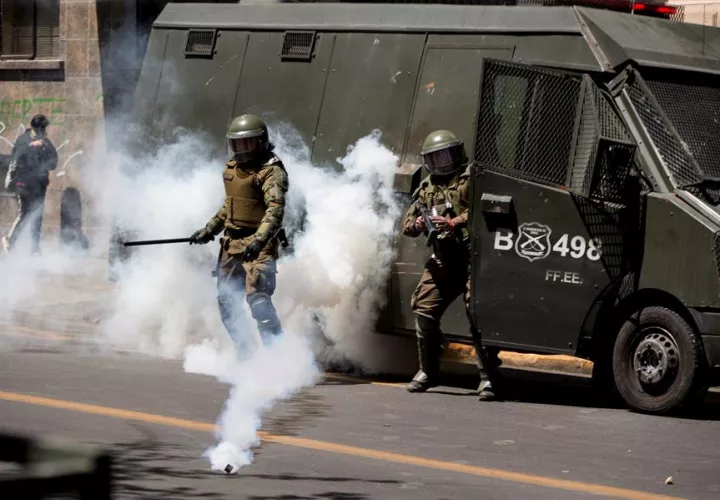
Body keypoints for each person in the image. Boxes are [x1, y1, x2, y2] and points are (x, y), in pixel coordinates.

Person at [402, 129, 501, 401]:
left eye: (446, 155)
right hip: (444, 259)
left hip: (474, 259)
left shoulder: (471, 180)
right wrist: (418, 224)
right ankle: (428, 371)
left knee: (477, 314)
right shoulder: (426, 189)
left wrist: (453, 222)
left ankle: (487, 377)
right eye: (436, 158)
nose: (443, 163)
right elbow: (407, 226)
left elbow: (485, 209)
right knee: (424, 310)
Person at [189, 114, 288, 348]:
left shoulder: (270, 172)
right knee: (227, 303)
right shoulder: (234, 170)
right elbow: (230, 206)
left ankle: (278, 356)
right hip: (232, 244)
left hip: (260, 244)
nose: (242, 149)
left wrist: (259, 240)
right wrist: (209, 229)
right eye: (237, 144)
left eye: (247, 143)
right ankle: (247, 354)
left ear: (260, 142)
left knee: (259, 302)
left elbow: (275, 210)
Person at [2, 114, 58, 255]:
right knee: (25, 212)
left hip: (39, 183)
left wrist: (45, 149)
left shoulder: (46, 142)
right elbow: (15, 158)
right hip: (24, 182)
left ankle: (35, 248)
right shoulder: (23, 140)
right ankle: (10, 240)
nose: (43, 131)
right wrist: (31, 146)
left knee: (37, 215)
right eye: (42, 128)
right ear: (36, 128)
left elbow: (53, 163)